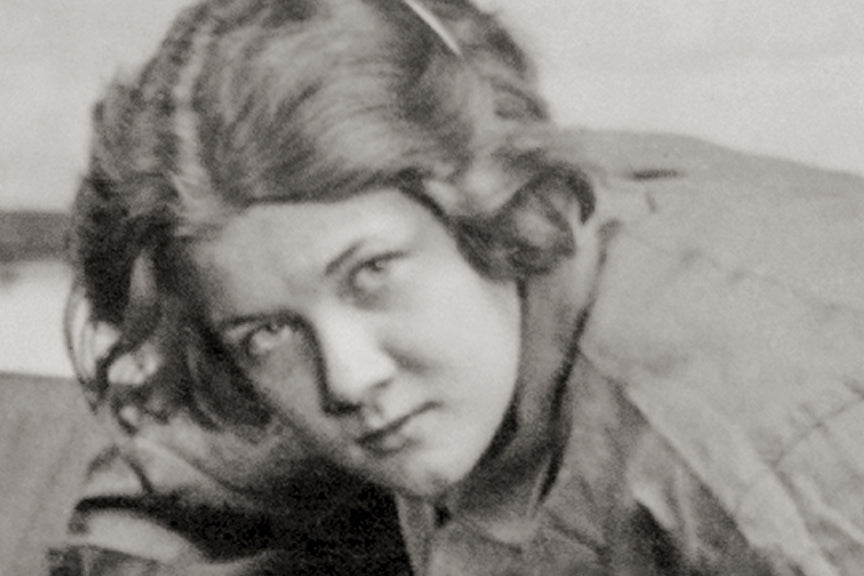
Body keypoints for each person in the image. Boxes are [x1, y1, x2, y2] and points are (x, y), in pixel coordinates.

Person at [64, 0, 864, 574]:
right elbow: (186, 467)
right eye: (266, 334)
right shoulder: (376, 289)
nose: (349, 379)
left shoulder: (756, 450)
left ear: (485, 206)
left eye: (371, 274)